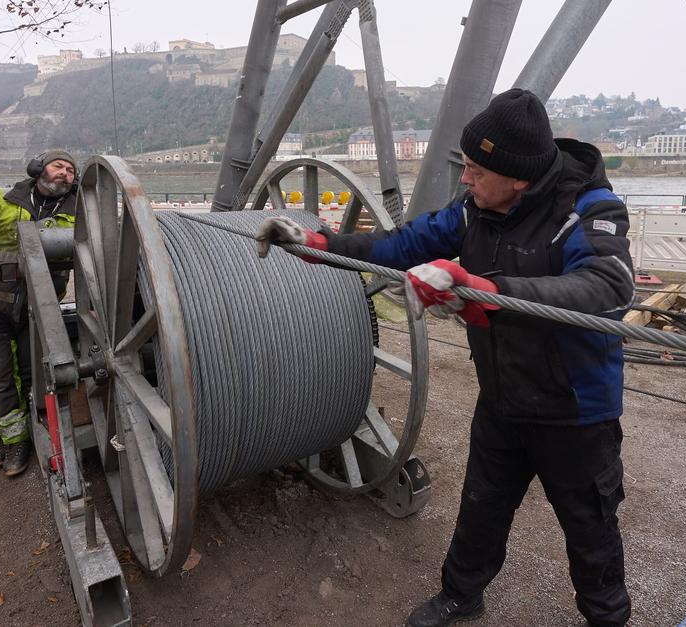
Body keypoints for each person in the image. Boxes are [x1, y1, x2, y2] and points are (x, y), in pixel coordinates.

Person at [255, 89, 635, 626]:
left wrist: (482, 289)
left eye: (477, 171)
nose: (465, 179)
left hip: (575, 413)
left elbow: (609, 289)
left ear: (518, 179)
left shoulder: (588, 211)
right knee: (481, 507)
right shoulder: (473, 209)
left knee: (590, 528)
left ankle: (607, 618)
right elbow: (398, 247)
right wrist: (313, 240)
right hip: (504, 399)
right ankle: (461, 595)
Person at [0, 150, 78, 477]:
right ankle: (10, 436)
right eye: (58, 166)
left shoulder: (77, 213)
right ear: (39, 168)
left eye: (70, 170)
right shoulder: (1, 200)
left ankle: (21, 435)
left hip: (39, 311)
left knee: (31, 375)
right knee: (0, 376)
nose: (64, 173)